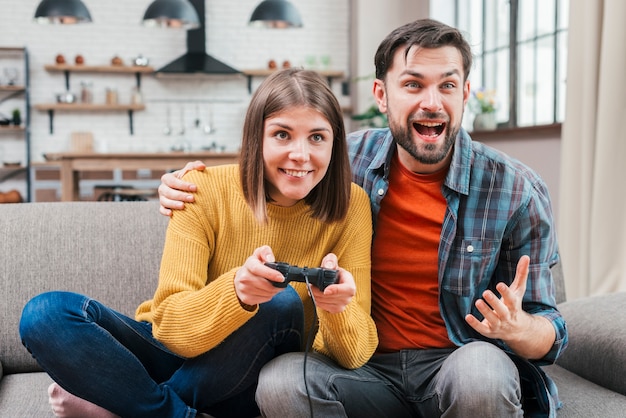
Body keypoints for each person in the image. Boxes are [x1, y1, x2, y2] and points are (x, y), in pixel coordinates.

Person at [157, 18, 568, 418]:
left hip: (459, 364)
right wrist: (189, 183)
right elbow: (272, 165)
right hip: (361, 370)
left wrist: (518, 328)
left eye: (447, 85)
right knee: (282, 381)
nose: (431, 101)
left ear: (465, 93)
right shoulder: (341, 160)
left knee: (481, 373)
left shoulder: (515, 190)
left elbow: (550, 332)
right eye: (412, 84)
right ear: (381, 94)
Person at [19, 68, 377, 418]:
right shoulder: (200, 188)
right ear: (257, 138)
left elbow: (355, 354)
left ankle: (124, 406)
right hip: (179, 352)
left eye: (317, 137)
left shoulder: (352, 204)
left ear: (334, 143)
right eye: (282, 134)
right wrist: (236, 293)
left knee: (279, 301)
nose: (300, 154)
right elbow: (172, 332)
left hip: (250, 372)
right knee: (45, 314)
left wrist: (336, 309)